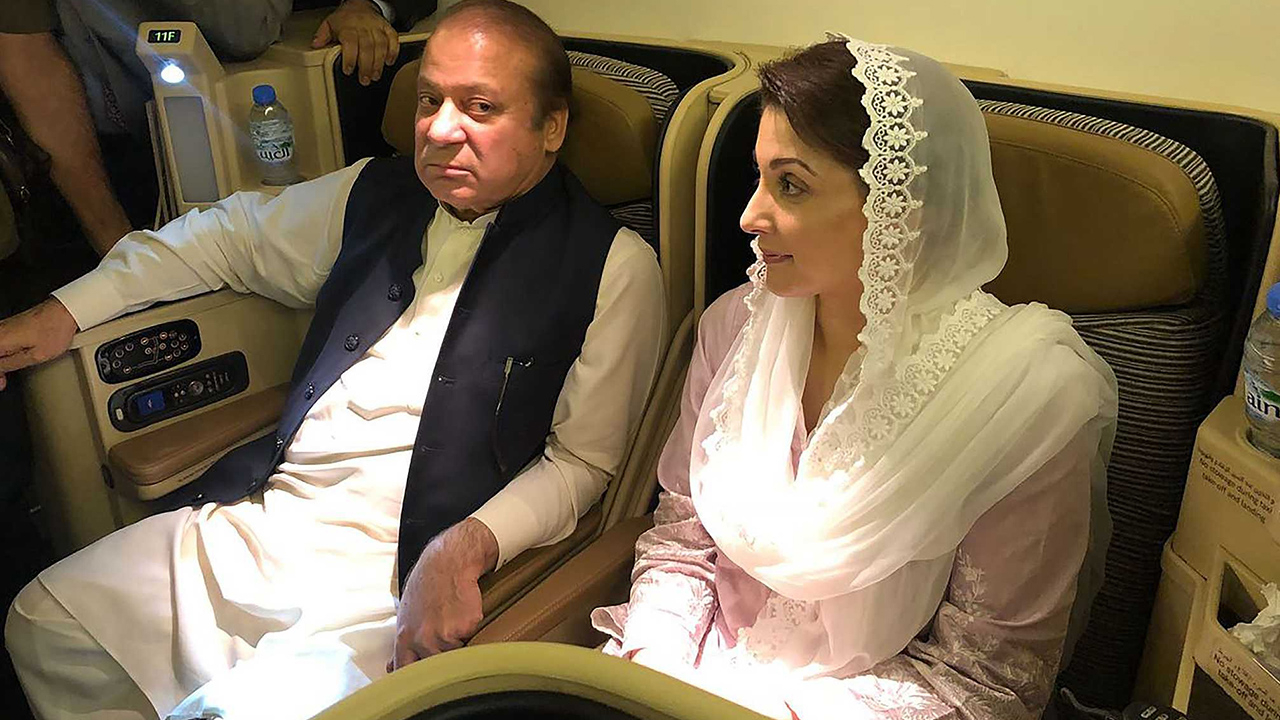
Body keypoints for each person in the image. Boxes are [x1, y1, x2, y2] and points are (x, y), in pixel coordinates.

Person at [1, 1, 666, 718]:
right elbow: (224, 238)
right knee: (48, 621)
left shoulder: (614, 266)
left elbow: (583, 464)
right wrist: (67, 311)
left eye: (480, 107)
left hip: (387, 577)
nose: (442, 130)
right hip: (268, 525)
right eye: (430, 101)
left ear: (552, 128)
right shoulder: (371, 193)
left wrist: (467, 547)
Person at [592, 37, 1117, 720]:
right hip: (684, 675)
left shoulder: (1026, 395)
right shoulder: (733, 328)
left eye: (790, 185)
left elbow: (986, 681)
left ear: (901, 207)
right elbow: (682, 541)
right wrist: (654, 673)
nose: (749, 217)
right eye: (758, 178)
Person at [0, 0, 436, 256]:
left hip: (321, 120)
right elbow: (30, 62)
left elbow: (246, 29)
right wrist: (118, 245)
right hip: (116, 152)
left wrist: (366, 4)